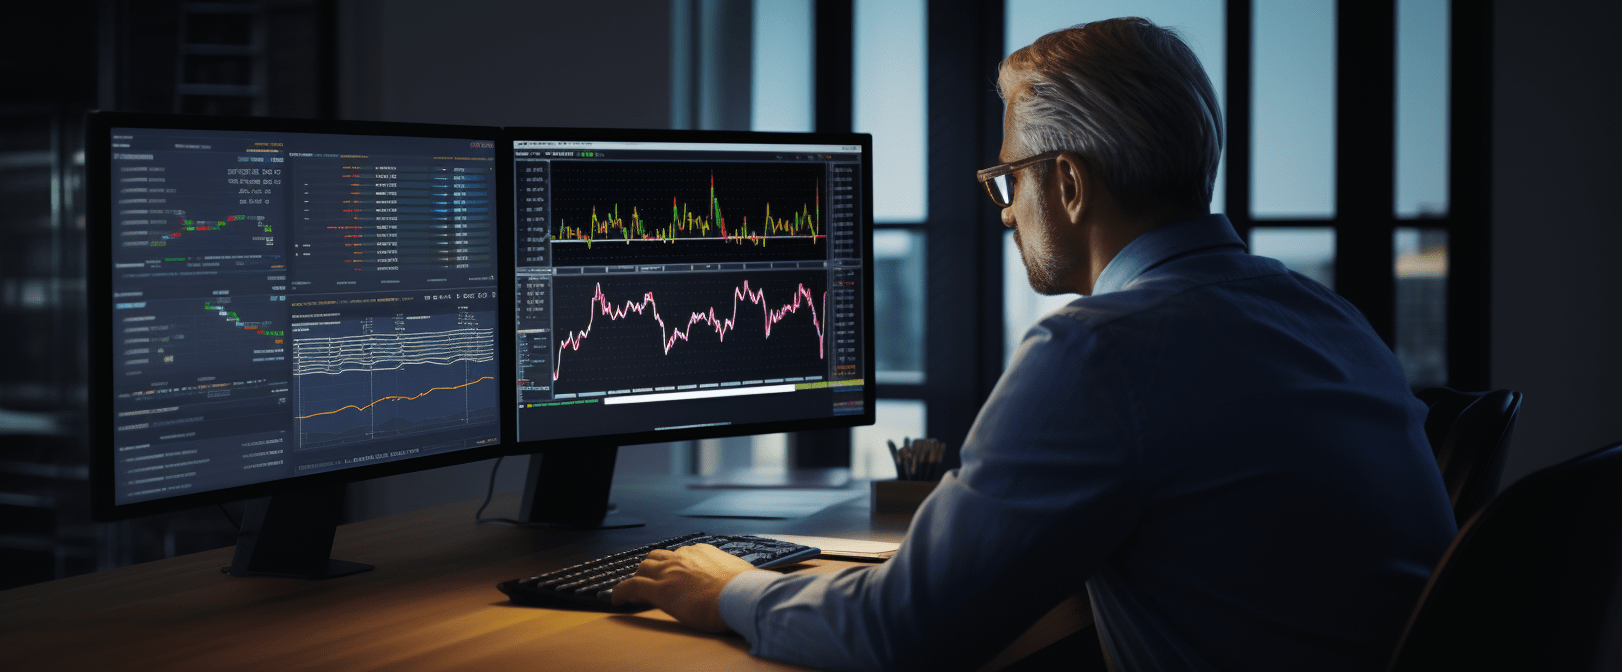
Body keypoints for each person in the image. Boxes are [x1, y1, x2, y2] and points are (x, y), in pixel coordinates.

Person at [612, 17, 1457, 672]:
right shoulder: (1326, 318)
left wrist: (732, 590)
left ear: (1070, 182)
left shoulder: (1100, 351)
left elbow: (903, 632)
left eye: (1008, 179)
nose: (1007, 212)